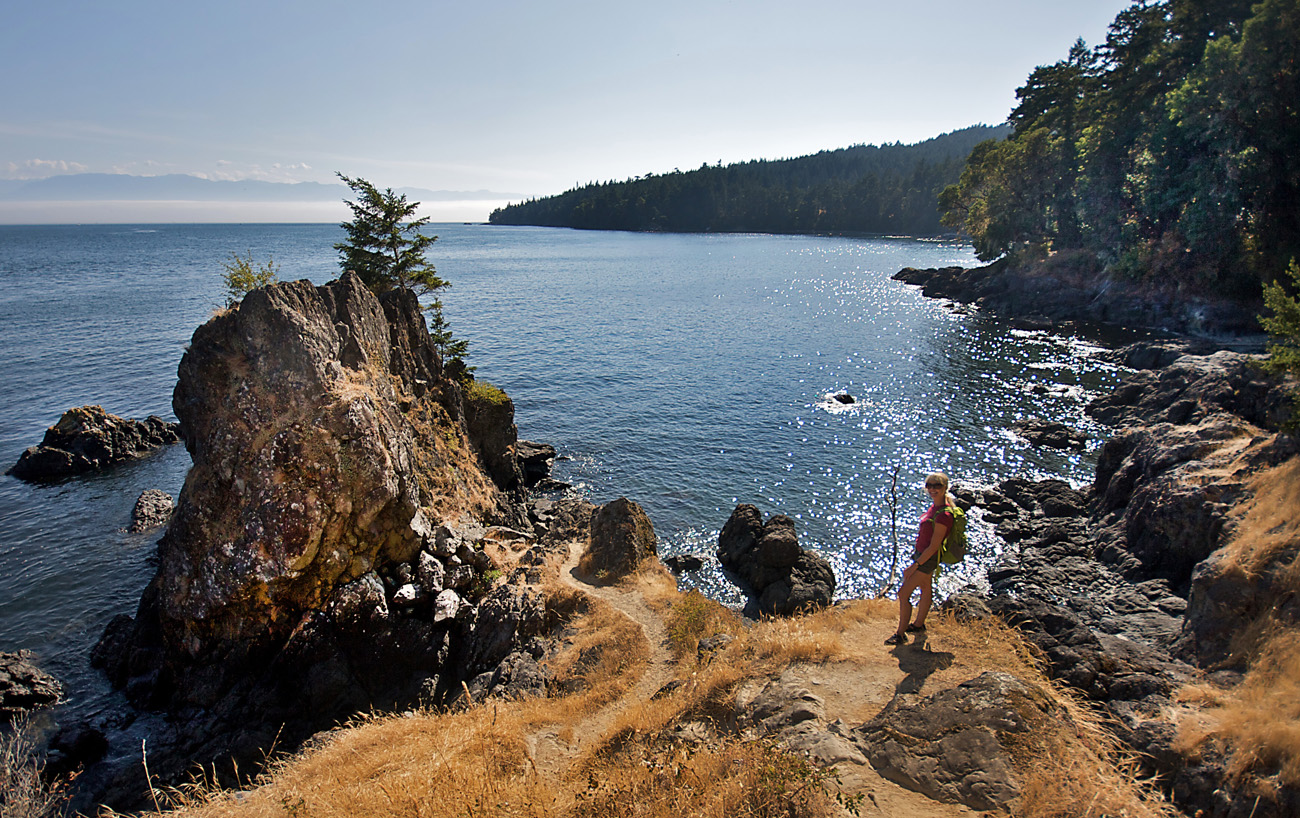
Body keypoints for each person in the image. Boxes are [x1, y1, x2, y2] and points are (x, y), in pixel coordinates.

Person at [885, 471, 955, 646]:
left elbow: (934, 546)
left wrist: (915, 565)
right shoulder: (935, 507)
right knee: (925, 587)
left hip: (927, 558)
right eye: (929, 485)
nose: (932, 489)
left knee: (903, 593)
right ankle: (918, 624)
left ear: (945, 487)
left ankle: (900, 634)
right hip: (922, 555)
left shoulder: (944, 515)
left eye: (937, 486)